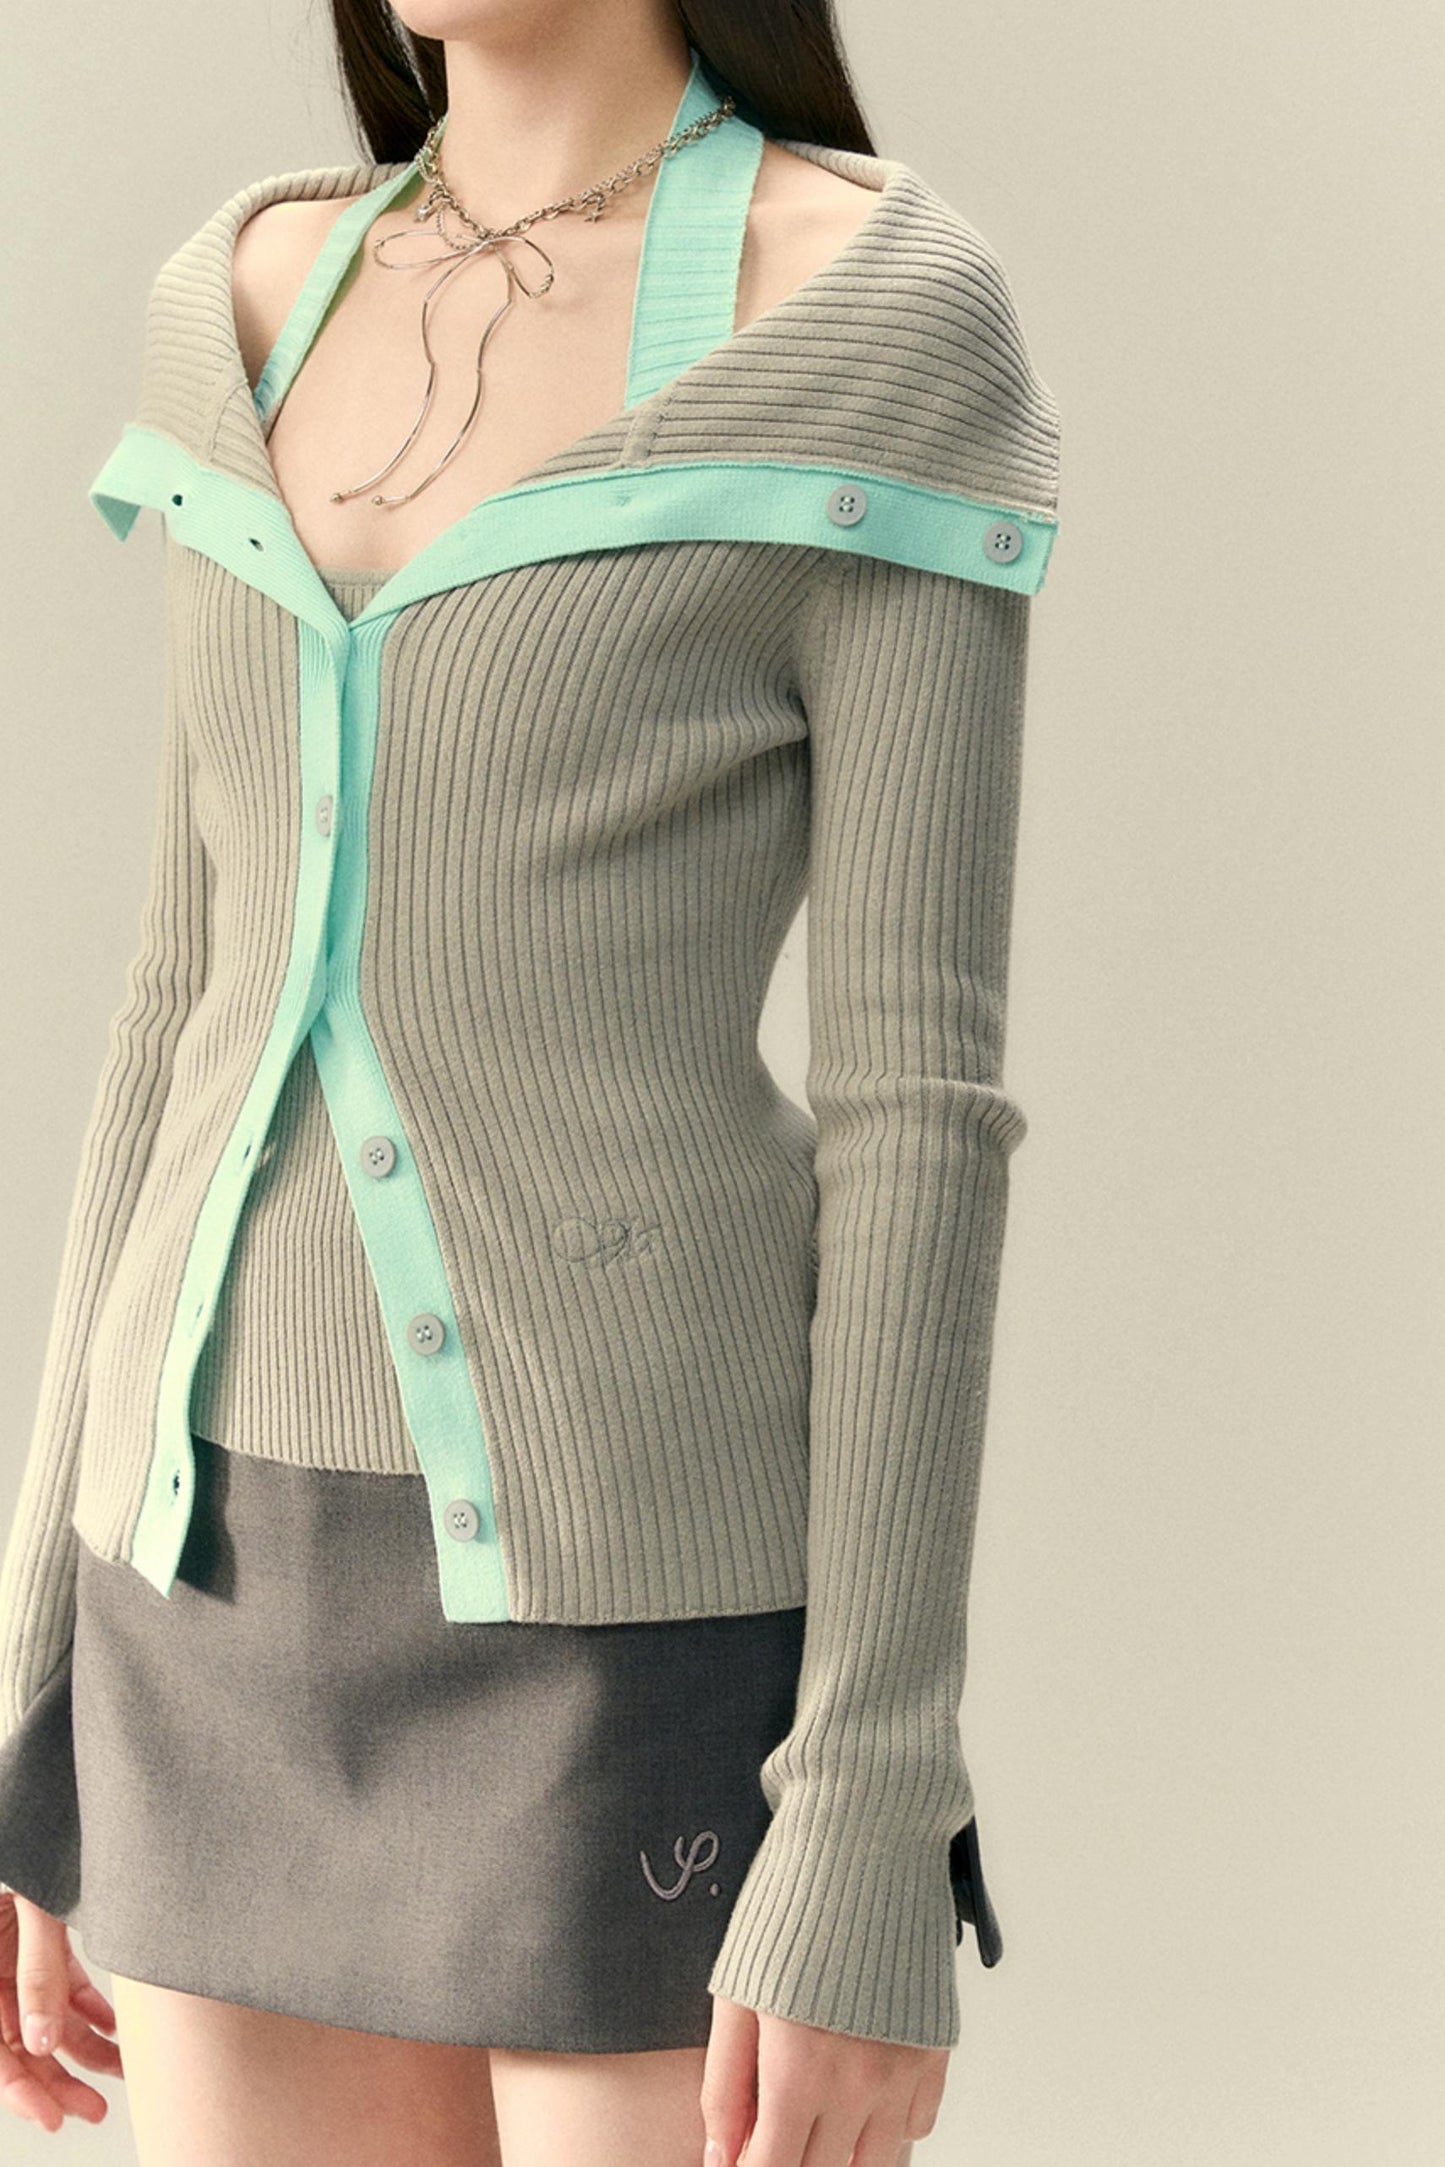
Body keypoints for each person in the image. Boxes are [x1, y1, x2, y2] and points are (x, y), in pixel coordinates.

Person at [0, 1, 1061, 2160]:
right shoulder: (242, 296)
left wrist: (869, 1806)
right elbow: (178, 1002)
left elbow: (916, 1115)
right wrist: (29, 1687)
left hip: (634, 1612)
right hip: (197, 1589)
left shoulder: (871, 311)